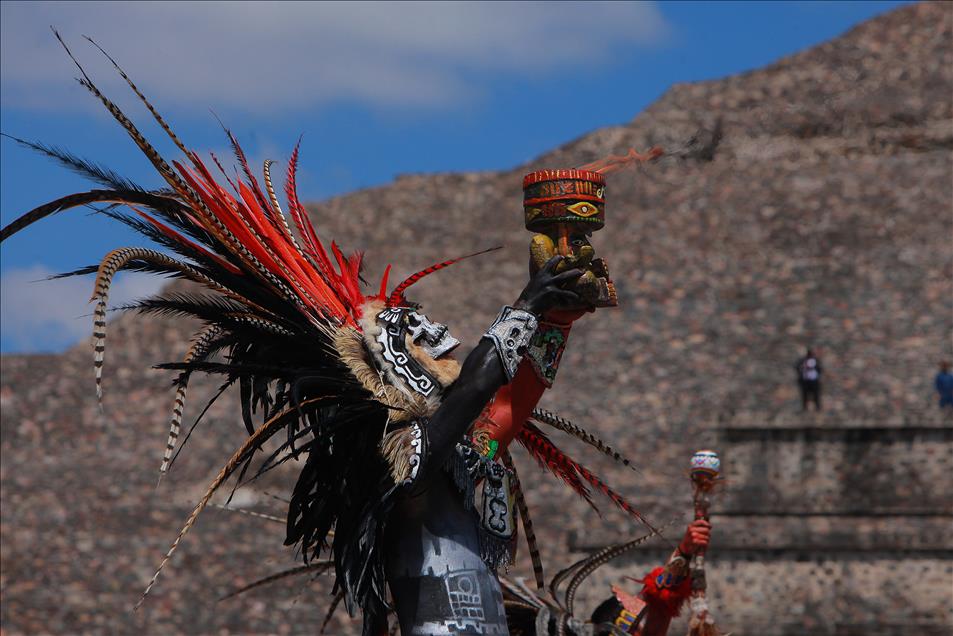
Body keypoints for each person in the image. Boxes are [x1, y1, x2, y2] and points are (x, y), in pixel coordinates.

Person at [1, 36, 653, 636]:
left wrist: (553, 322)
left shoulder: (452, 463)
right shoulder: (404, 469)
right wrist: (524, 306)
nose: (440, 348)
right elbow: (478, 386)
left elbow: (507, 406)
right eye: (419, 347)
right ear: (387, 378)